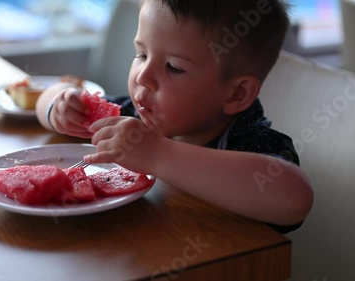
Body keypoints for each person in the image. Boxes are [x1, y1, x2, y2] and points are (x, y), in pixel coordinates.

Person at [35, 0, 313, 233]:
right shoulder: (136, 118)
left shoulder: (253, 143)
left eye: (174, 68)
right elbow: (45, 97)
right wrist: (59, 105)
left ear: (236, 94)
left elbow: (295, 198)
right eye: (141, 54)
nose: (144, 77)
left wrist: (158, 155)